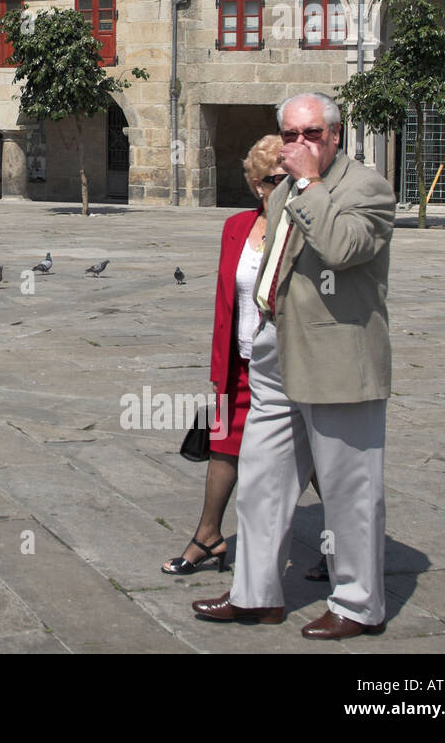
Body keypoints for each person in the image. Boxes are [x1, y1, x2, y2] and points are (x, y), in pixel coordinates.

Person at [192, 92, 395, 639]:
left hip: (337, 359)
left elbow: (342, 248)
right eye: (289, 135)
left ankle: (358, 605)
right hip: (274, 354)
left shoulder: (366, 188)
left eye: (310, 134)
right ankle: (256, 594)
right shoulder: (280, 192)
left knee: (349, 491)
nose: (298, 145)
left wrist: (308, 185)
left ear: (334, 135)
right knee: (261, 479)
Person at [162, 135, 284, 575]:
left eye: (291, 179)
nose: (283, 186)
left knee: (313, 461)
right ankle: (208, 536)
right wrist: (219, 370)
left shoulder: (305, 229)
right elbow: (224, 302)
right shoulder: (235, 227)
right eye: (275, 179)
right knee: (222, 446)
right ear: (257, 184)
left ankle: (343, 545)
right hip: (239, 361)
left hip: (288, 366)